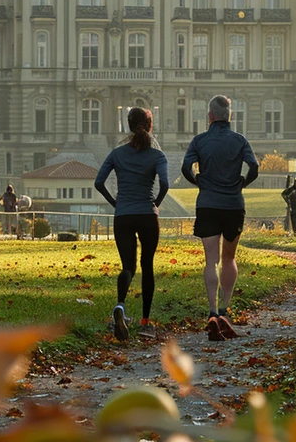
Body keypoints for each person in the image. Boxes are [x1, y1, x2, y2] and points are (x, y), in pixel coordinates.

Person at [182, 95, 258, 342]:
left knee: (210, 260)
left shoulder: (199, 140)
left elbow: (186, 168)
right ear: (230, 116)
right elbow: (253, 167)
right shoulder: (239, 140)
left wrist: (198, 181)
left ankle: (212, 311)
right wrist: (242, 183)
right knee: (229, 257)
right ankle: (226, 308)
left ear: (210, 116)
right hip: (233, 204)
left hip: (208, 204)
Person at [95, 107, 169, 342]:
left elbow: (99, 182)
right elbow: (165, 184)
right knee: (147, 265)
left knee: (128, 266)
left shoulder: (117, 153)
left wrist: (116, 203)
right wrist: (154, 204)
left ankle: (120, 306)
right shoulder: (158, 156)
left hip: (123, 215)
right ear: (150, 126)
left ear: (128, 126)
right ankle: (145, 322)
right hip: (147, 214)